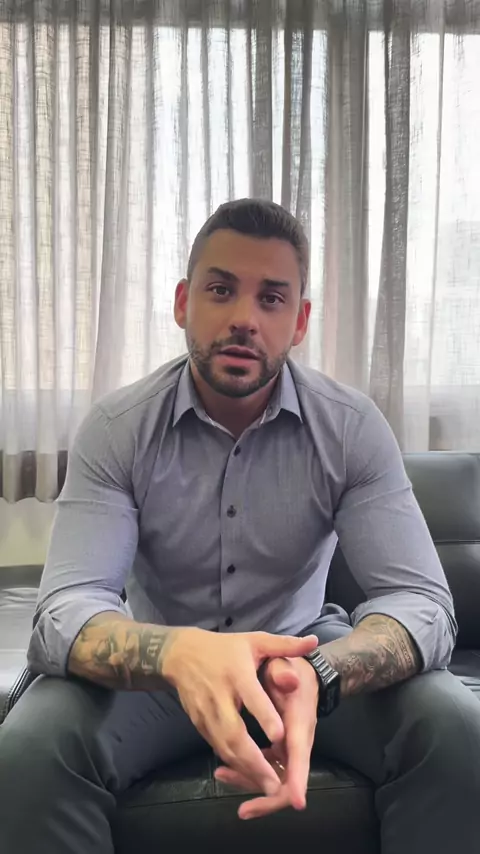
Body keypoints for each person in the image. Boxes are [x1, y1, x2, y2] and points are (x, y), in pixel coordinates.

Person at [0, 198, 479, 854]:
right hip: (161, 669)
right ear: (183, 303)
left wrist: (324, 673)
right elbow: (65, 609)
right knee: (29, 748)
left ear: (300, 320)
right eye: (221, 290)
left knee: (455, 728)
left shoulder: (351, 428)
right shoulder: (116, 429)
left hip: (302, 656)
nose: (244, 319)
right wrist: (178, 654)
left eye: (272, 298)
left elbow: (421, 601)